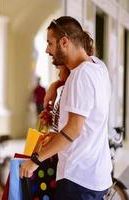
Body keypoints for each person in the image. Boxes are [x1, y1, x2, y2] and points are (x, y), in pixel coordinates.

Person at [19, 16, 112, 200]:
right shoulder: (98, 66)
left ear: (64, 42)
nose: (47, 50)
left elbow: (74, 129)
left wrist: (35, 160)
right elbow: (83, 126)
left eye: (50, 43)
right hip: (96, 175)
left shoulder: (81, 76)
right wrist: (56, 85)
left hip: (78, 179)